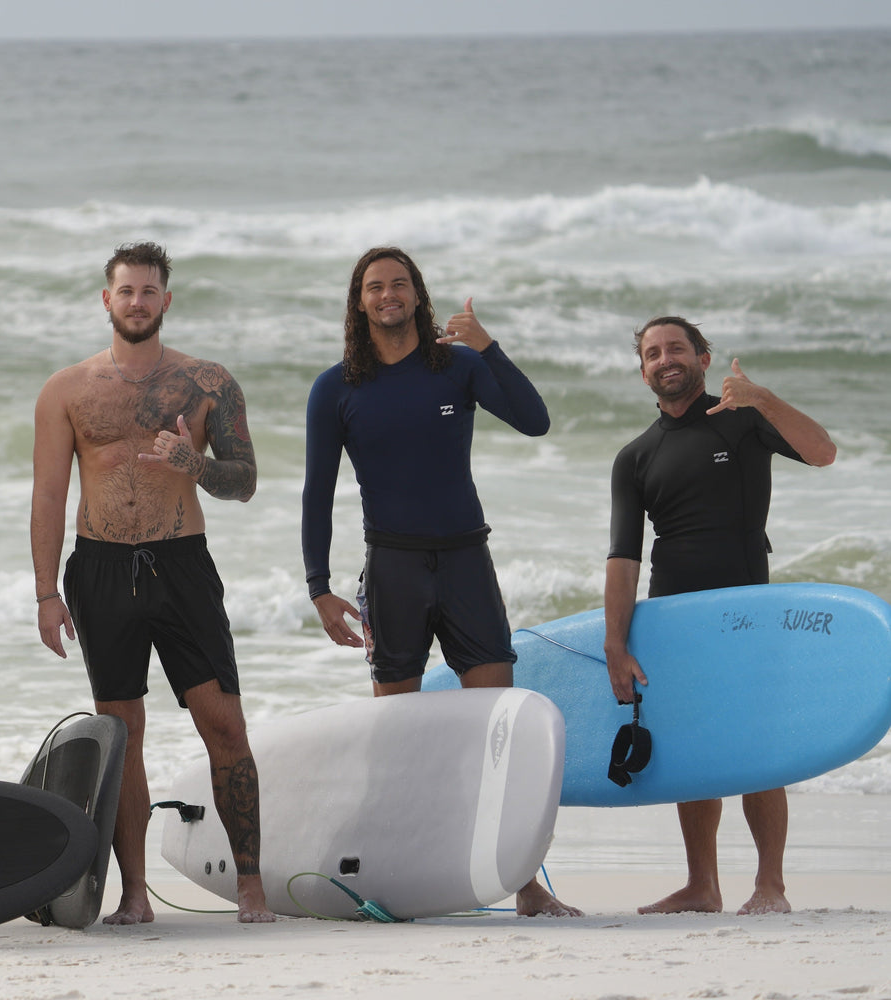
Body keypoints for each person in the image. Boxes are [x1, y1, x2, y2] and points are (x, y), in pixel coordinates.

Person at [301, 246, 579, 917]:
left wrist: (490, 347)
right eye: (375, 286)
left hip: (464, 563)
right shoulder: (336, 388)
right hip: (392, 568)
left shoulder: (458, 367)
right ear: (359, 301)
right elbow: (317, 492)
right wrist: (319, 586)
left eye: (400, 284)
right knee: (392, 738)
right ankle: (391, 879)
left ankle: (526, 887)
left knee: (497, 731)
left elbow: (535, 420)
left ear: (417, 297)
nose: (388, 294)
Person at [31, 241, 273, 924]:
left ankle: (252, 888)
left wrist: (192, 462)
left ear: (167, 300)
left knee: (223, 722)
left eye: (149, 291)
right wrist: (47, 593)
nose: (137, 302)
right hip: (100, 568)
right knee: (122, 731)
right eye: (125, 291)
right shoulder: (66, 390)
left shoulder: (208, 383)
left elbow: (246, 482)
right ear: (106, 300)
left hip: (182, 563)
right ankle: (134, 896)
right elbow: (48, 496)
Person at [605, 316, 836, 916]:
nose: (664, 359)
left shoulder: (743, 419)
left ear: (703, 358)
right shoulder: (635, 457)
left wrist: (761, 396)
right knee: (693, 748)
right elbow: (624, 556)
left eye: (675, 348)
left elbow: (823, 452)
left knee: (757, 745)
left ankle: (771, 886)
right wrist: (616, 641)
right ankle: (702, 885)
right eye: (652, 353)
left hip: (746, 610)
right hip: (675, 616)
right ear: (643, 370)